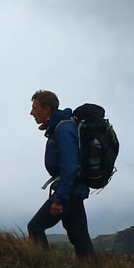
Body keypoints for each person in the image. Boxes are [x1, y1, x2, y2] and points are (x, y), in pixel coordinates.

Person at [26, 89, 94, 259]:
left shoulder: (63, 128)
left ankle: (41, 267)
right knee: (80, 239)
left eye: (35, 108)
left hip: (69, 191)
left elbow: (70, 166)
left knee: (35, 227)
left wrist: (59, 199)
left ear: (47, 109)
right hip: (74, 190)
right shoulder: (60, 126)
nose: (31, 113)